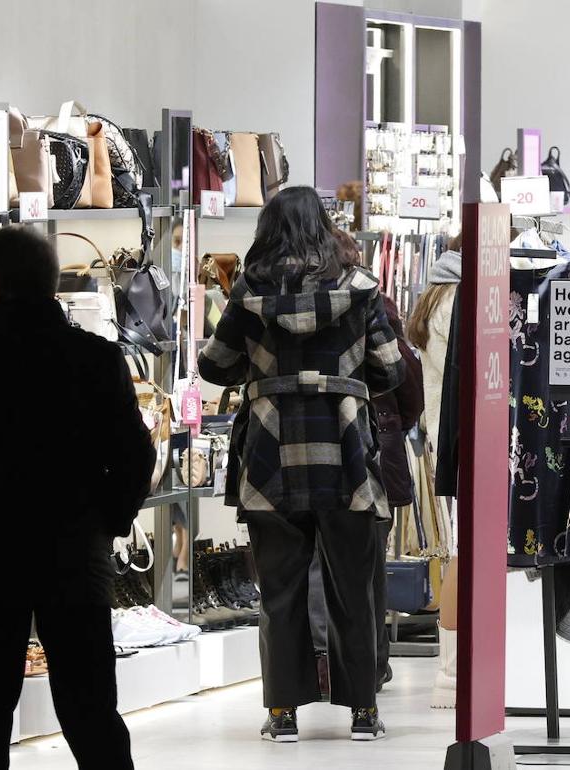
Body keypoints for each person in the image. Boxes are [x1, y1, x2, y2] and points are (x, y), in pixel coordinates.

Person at [198, 186, 405, 742]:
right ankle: (363, 711)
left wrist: (260, 366)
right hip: (345, 455)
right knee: (352, 586)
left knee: (280, 589)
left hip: (270, 454)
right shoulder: (360, 290)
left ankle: (282, 713)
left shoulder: (248, 293)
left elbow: (214, 367)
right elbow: (390, 369)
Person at [0, 226, 155, 770]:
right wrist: (109, 520)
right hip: (74, 546)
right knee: (90, 705)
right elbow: (136, 455)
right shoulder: (96, 359)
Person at [308, 232, 423, 696]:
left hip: (321, 448)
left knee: (323, 560)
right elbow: (404, 376)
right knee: (368, 563)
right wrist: (396, 420)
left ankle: (327, 665)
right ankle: (370, 665)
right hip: (374, 442)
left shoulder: (297, 301)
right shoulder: (375, 301)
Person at [406, 240, 461, 708]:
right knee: (465, 555)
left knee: (461, 553)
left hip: (448, 443)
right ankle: (451, 672)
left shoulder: (439, 294)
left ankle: (452, 670)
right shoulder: (458, 298)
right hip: (466, 446)